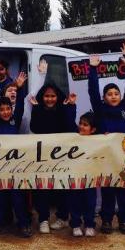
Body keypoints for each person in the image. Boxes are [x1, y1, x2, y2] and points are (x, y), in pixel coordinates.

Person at [88, 43, 125, 235]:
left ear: (120, 95)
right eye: (109, 94)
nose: (113, 96)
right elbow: (92, 91)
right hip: (107, 158)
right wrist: (93, 69)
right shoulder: (100, 111)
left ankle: (124, 221)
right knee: (108, 190)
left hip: (124, 157)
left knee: (123, 191)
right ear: (104, 97)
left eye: (116, 93)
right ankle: (106, 220)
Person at [0, 72, 32, 238]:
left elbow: (20, 107)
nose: (5, 112)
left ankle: (24, 224)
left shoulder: (15, 120)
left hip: (15, 168)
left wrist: (19, 87)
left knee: (18, 198)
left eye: (7, 109)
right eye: (1, 110)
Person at [29, 83, 76, 234]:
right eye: (47, 96)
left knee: (62, 187)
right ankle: (43, 219)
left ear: (58, 97)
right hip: (43, 157)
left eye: (53, 96)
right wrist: (36, 109)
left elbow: (70, 127)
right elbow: (35, 128)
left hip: (62, 157)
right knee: (42, 188)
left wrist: (71, 107)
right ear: (42, 97)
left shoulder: (64, 109)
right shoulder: (38, 109)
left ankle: (62, 218)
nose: (50, 99)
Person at [68, 111, 98, 237]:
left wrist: (107, 138)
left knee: (90, 202)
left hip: (91, 178)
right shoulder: (73, 139)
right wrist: (71, 106)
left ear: (93, 129)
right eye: (80, 123)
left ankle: (89, 224)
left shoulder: (98, 141)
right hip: (75, 177)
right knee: (74, 201)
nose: (81, 126)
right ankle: (75, 225)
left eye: (85, 125)